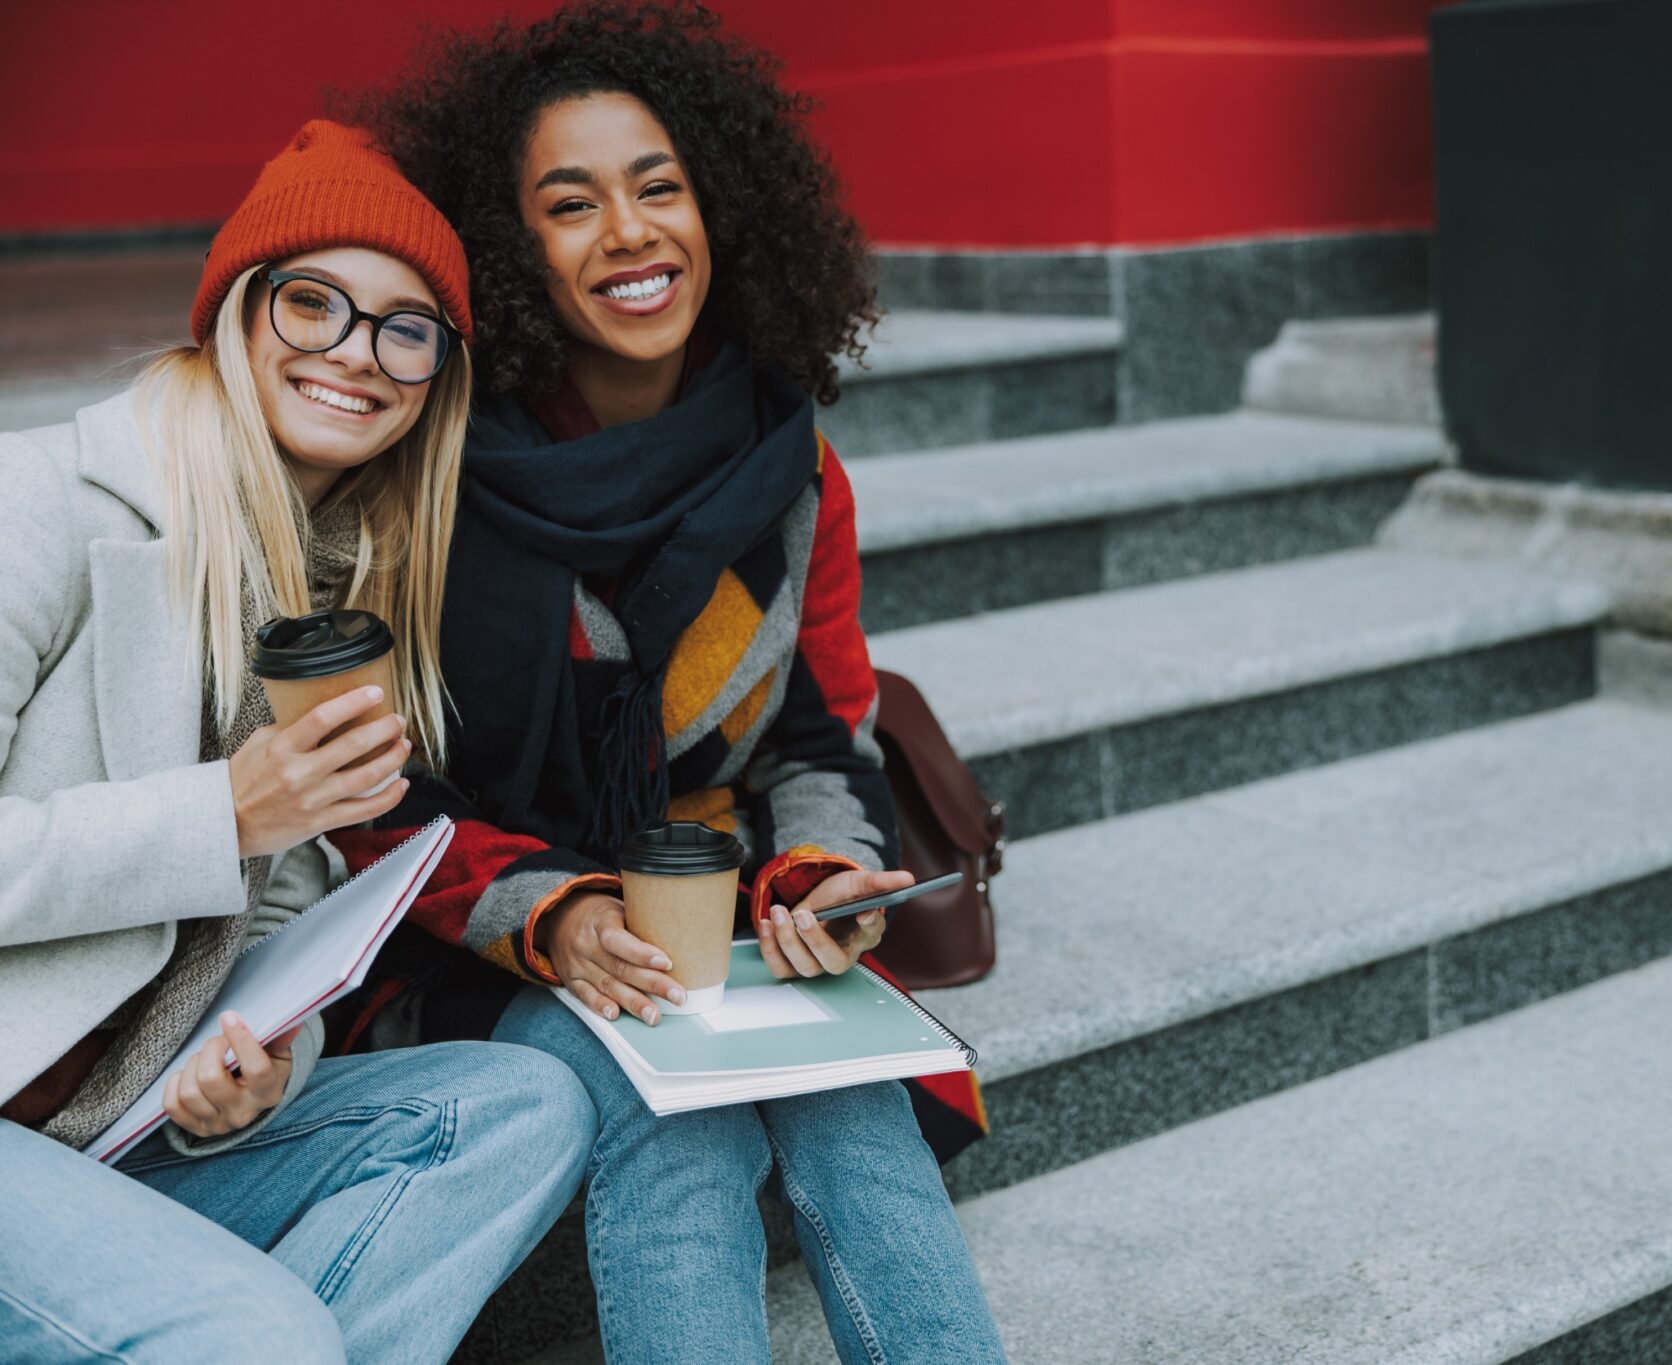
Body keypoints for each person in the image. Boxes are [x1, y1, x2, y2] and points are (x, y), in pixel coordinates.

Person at [327, 4, 1007, 1361]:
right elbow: (376, 804)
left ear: (720, 208)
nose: (630, 234)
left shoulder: (793, 468)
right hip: (490, 936)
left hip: (719, 905)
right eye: (570, 205)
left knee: (850, 1096)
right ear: (512, 251)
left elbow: (821, 736)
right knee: (675, 1122)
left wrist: (821, 876)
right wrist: (560, 919)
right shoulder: (422, 482)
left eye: (660, 188)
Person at [0, 121, 598, 1365]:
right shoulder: (41, 502)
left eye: (404, 326)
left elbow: (284, 914)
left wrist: (265, 1061)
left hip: (122, 1123)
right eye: (312, 302)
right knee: (261, 1336)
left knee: (520, 1104)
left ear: (437, 375)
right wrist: (224, 813)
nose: (355, 354)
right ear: (235, 314)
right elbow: (238, 832)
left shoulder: (336, 591)